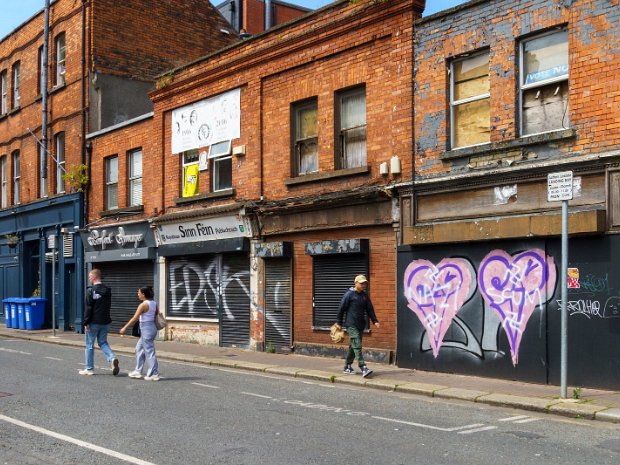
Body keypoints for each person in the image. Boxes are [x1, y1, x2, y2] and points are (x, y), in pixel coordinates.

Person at [335, 274, 379, 378]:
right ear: (356, 283)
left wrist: (374, 320)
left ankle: (347, 366)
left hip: (360, 325)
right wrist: (339, 322)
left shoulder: (364, 295)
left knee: (353, 346)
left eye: (365, 283)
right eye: (362, 283)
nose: (364, 285)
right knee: (357, 346)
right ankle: (363, 367)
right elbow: (341, 308)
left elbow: (370, 309)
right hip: (351, 325)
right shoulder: (349, 295)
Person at [80, 268, 120, 376]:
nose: (89, 278)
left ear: (94, 277)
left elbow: (88, 308)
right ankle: (112, 358)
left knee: (89, 345)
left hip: (93, 322)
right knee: (102, 342)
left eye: (89, 276)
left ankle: (89, 369)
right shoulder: (108, 290)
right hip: (106, 321)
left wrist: (85, 322)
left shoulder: (91, 290)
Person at [119, 286, 160, 381]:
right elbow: (156, 314)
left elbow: (134, 318)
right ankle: (138, 371)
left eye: (139, 293)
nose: (137, 294)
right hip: (151, 328)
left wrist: (124, 328)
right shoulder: (154, 303)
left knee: (149, 351)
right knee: (139, 349)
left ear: (143, 294)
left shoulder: (143, 305)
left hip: (146, 329)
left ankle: (154, 373)